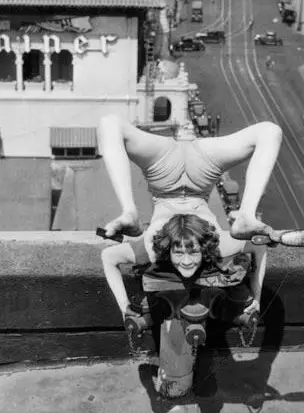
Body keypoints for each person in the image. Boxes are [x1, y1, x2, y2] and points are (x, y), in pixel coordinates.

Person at [101, 213, 266, 397]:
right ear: (167, 249)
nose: (186, 262)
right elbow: (108, 257)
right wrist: (125, 306)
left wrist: (257, 298)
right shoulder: (152, 251)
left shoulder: (221, 247)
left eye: (194, 252)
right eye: (178, 253)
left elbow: (258, 247)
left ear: (204, 248)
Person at [97, 115, 282, 261]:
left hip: (163, 172)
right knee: (270, 131)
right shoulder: (217, 250)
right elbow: (253, 251)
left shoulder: (153, 253)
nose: (186, 260)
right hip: (201, 173)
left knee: (109, 124)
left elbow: (113, 258)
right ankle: (246, 215)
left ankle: (130, 211)